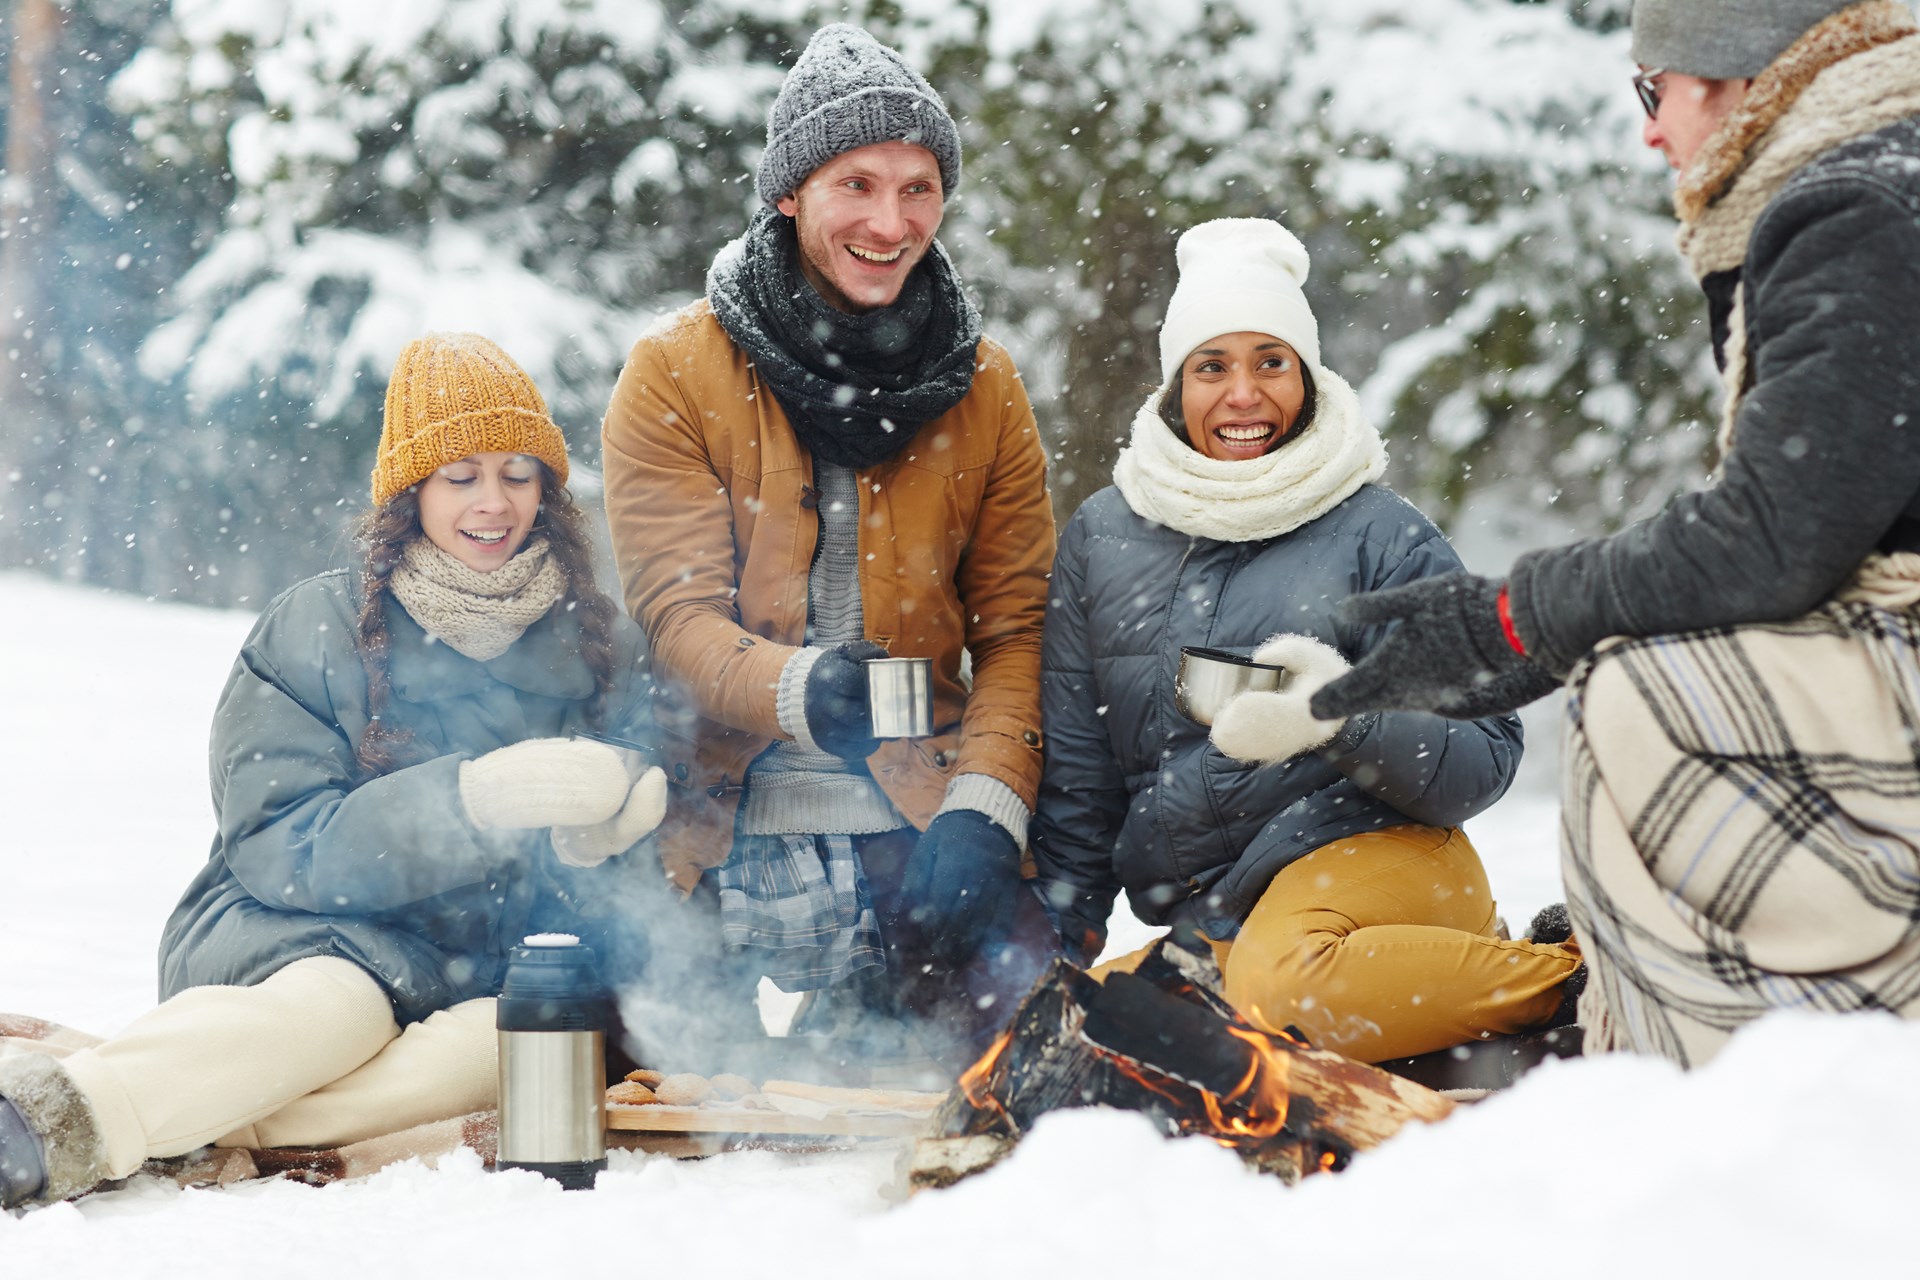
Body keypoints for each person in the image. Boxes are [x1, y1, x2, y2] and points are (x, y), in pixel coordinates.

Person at [1311, 0, 1920, 1066]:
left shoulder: (1863, 208)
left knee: (1639, 688)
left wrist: (1512, 620)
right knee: (1645, 660)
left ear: (1743, 75)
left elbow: (1776, 537)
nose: (1647, 129)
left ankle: (1724, 1058)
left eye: (1657, 88)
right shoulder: (1874, 172)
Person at [0, 333, 666, 1209]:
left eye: (517, 472)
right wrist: (477, 800)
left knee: (526, 1044)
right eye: (459, 475)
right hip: (297, 930)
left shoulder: (605, 641)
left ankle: (202, 1113)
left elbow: (649, 880)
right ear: (412, 491)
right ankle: (46, 1127)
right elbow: (281, 842)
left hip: (488, 969)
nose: (493, 503)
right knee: (338, 1012)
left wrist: (607, 839)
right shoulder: (316, 625)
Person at [599, 24, 1058, 1067]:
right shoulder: (674, 370)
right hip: (710, 813)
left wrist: (986, 811)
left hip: (916, 808)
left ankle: (873, 1000)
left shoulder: (987, 387)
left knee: (1013, 1063)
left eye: (919, 187)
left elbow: (1019, 629)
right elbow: (677, 617)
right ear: (791, 192)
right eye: (857, 183)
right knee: (636, 1091)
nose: (890, 222)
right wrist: (804, 688)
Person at [1029, 218, 1582, 1065]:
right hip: (1224, 913)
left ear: (1308, 376)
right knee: (1088, 1033)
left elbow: (1488, 750)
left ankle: (1573, 975)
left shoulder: (1379, 534)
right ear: (1177, 384)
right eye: (1213, 366)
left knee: (1278, 990)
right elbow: (1079, 783)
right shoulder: (1105, 540)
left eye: (1270, 363)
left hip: (1384, 860)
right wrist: (1055, 953)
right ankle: (1439, 992)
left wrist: (1342, 723)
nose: (1243, 395)